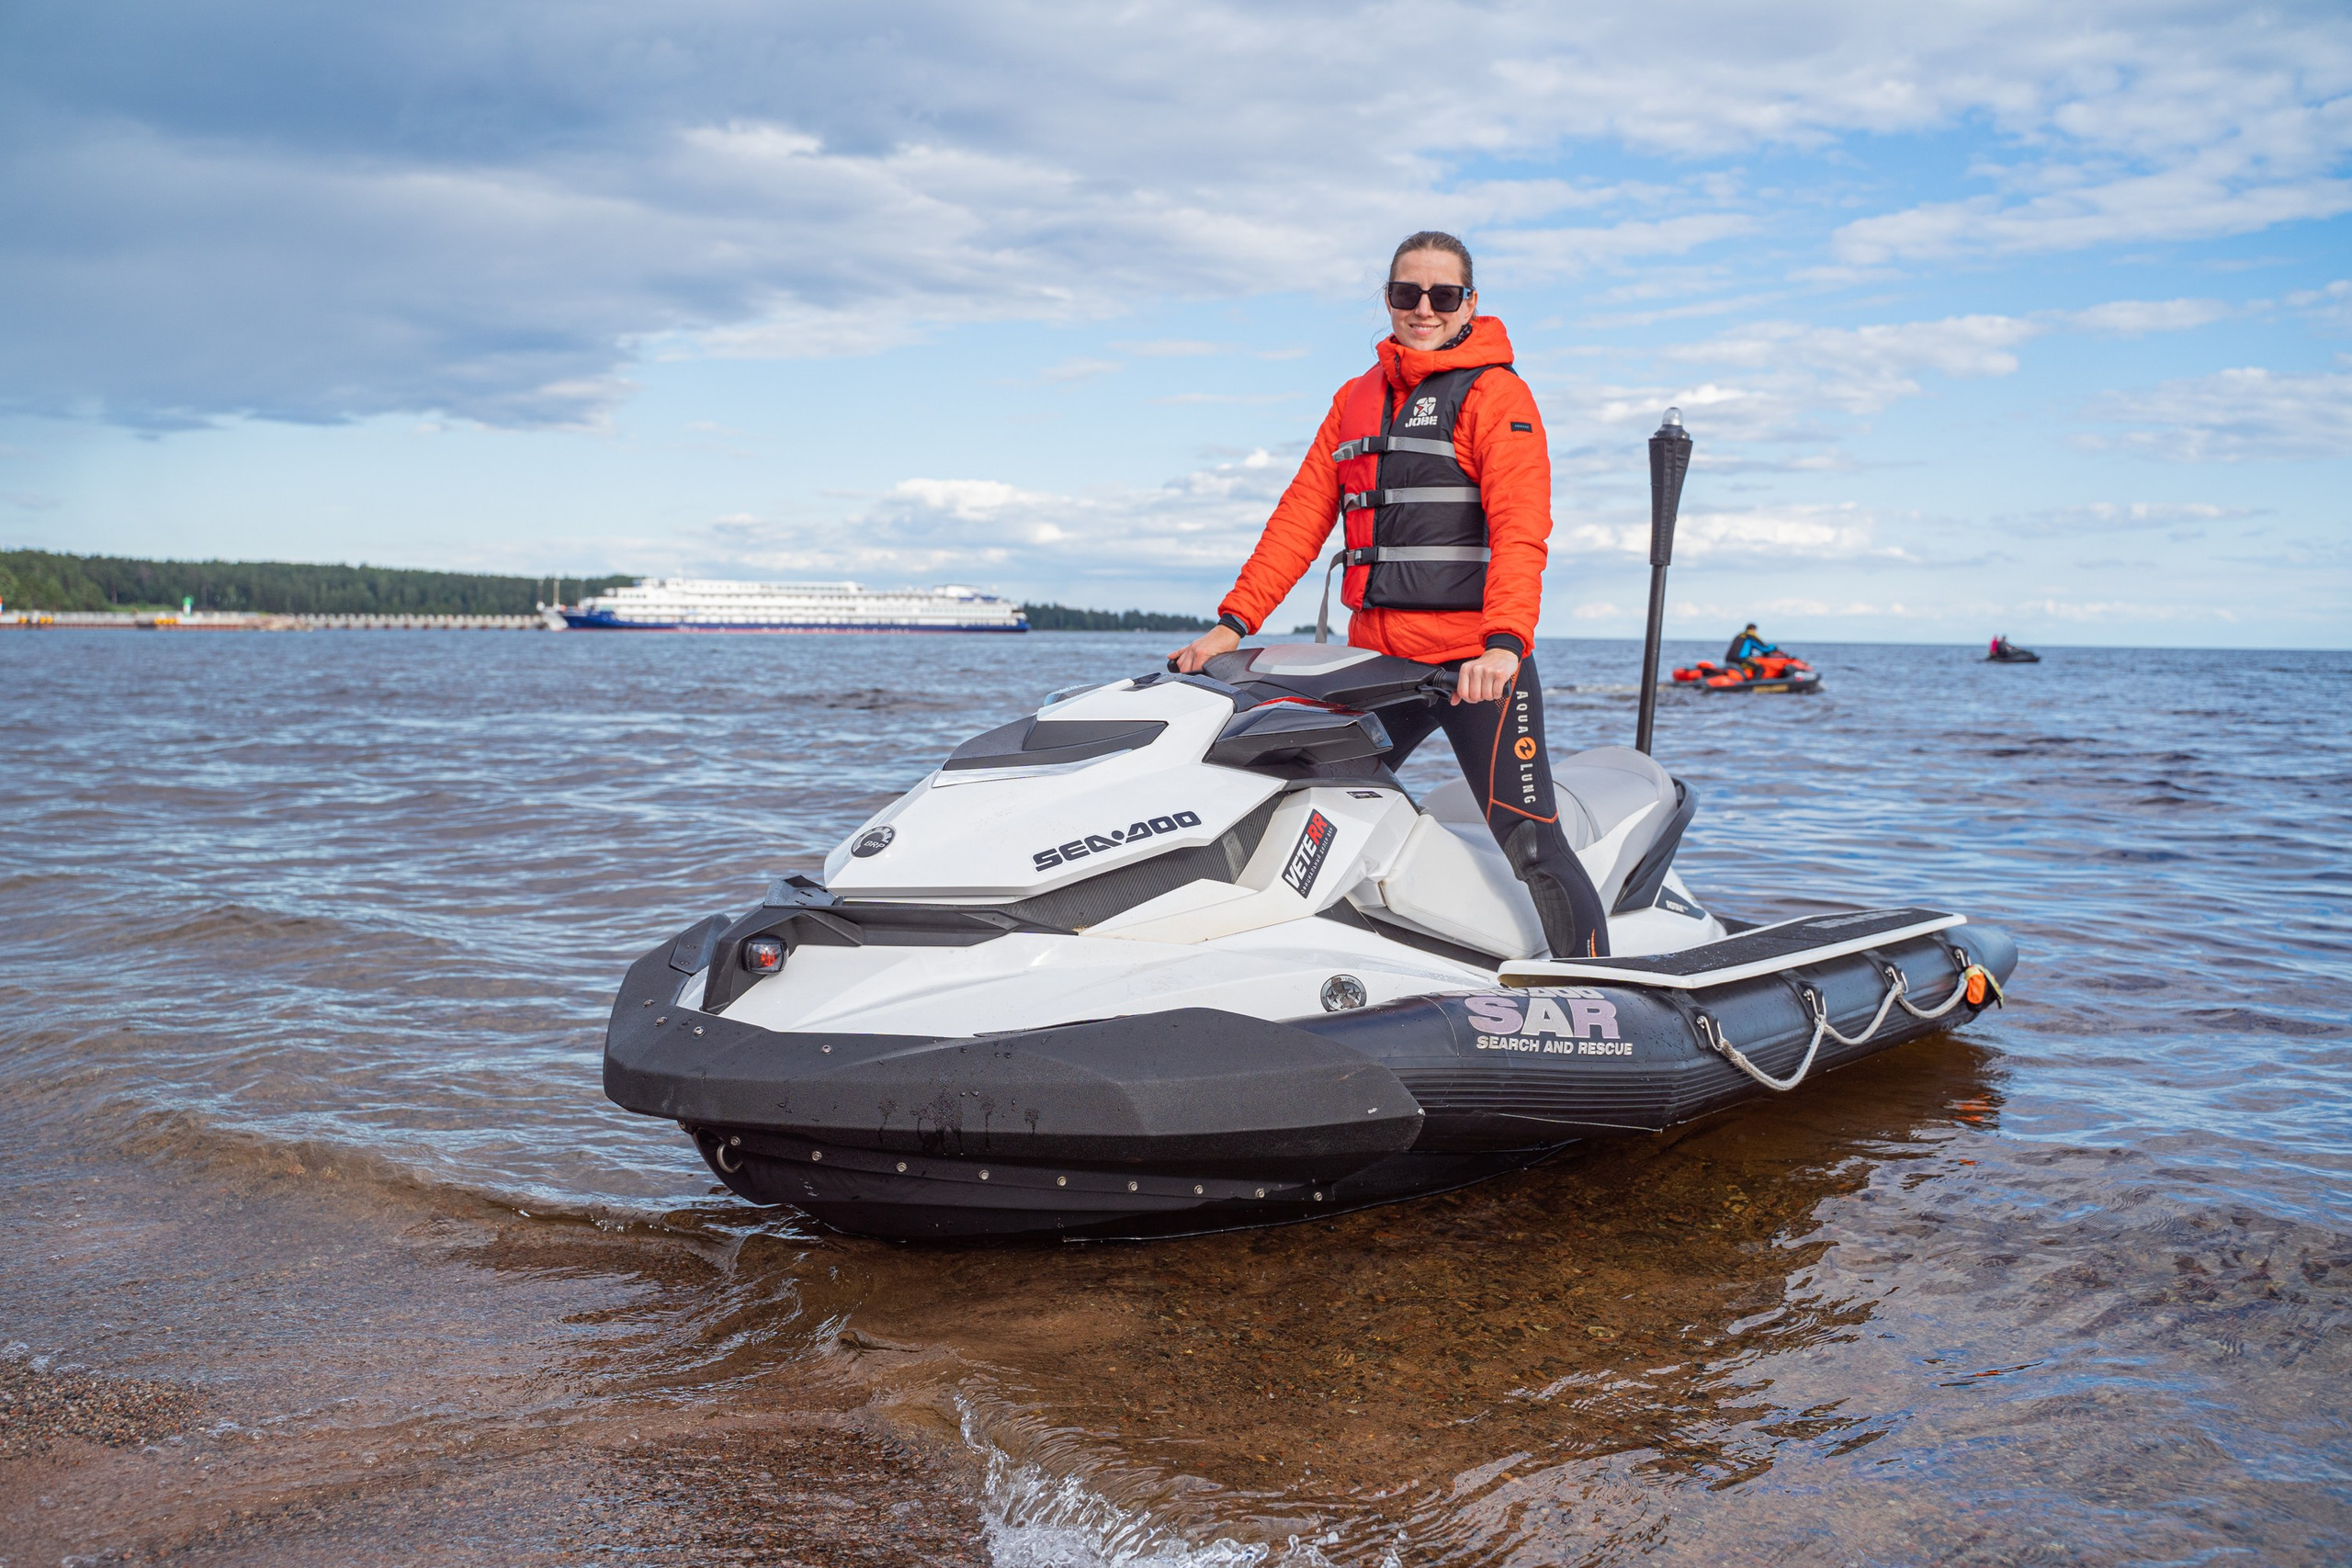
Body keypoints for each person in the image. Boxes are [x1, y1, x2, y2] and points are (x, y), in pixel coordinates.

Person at [1169, 231, 1609, 958]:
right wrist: (1232, 624)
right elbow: (1298, 521)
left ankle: (1599, 986)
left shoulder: (1497, 395)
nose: (1424, 308)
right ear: (1388, 299)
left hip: (1475, 668)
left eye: (1443, 294)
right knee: (1296, 805)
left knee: (1531, 840)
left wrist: (1503, 644)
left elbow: (1521, 529)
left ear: (1470, 302)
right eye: (1408, 292)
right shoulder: (1354, 399)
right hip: (1380, 667)